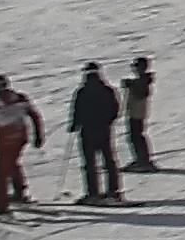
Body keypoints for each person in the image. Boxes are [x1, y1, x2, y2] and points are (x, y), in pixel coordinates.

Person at [0, 75, 43, 214]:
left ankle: (1, 207)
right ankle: (19, 193)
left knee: (1, 173)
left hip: (5, 140)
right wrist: (38, 134)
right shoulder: (20, 97)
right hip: (21, 137)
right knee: (13, 163)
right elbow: (34, 115)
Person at [67, 62, 123, 204]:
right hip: (103, 130)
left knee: (90, 163)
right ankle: (113, 192)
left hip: (87, 131)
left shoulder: (82, 91)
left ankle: (93, 193)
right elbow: (115, 109)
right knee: (109, 161)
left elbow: (77, 110)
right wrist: (108, 121)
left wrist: (74, 124)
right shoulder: (107, 90)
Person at [121, 57, 157, 172]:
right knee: (135, 136)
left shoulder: (144, 81)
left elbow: (140, 93)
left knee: (136, 137)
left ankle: (143, 161)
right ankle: (141, 159)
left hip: (137, 113)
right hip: (135, 112)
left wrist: (131, 84)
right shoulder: (143, 80)